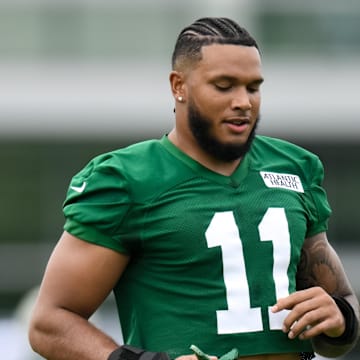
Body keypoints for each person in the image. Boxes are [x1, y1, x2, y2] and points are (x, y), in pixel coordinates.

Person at [28, 17, 359, 360]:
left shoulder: (293, 167)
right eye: (224, 85)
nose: (243, 101)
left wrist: (341, 319)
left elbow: (342, 320)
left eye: (252, 86)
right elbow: (49, 323)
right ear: (179, 86)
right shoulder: (127, 180)